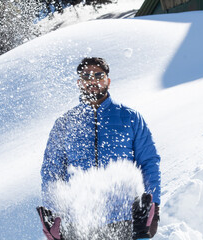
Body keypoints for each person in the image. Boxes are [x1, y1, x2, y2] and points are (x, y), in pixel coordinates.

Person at [37, 57, 161, 240]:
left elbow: (149, 162)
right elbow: (52, 171)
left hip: (124, 219)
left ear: (108, 81)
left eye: (98, 75)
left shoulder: (130, 118)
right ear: (79, 82)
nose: (92, 80)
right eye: (86, 76)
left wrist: (153, 207)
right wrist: (53, 212)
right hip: (78, 222)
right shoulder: (65, 124)